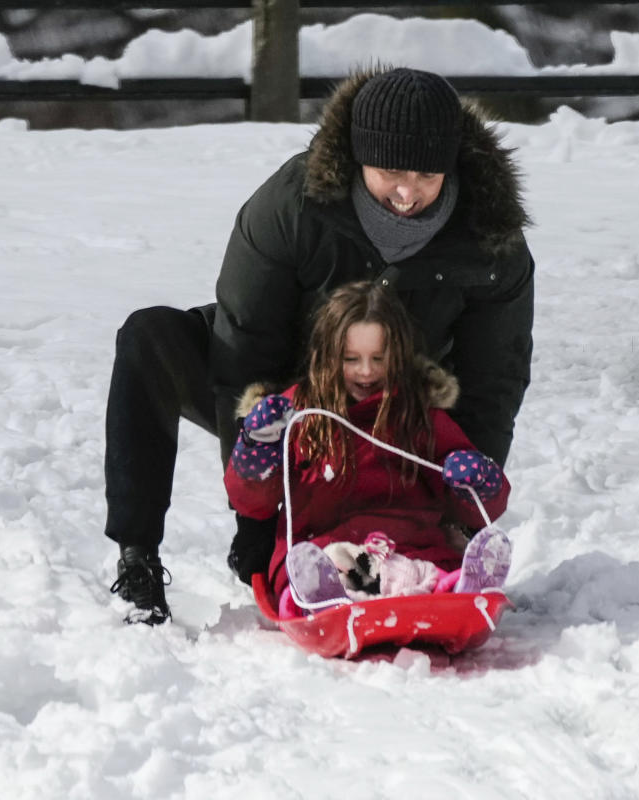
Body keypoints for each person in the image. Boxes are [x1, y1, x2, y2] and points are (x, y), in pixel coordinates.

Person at [105, 66, 533, 625]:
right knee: (149, 338)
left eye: (428, 175)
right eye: (390, 172)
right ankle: (138, 558)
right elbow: (245, 347)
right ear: (358, 160)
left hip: (397, 403)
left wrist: (467, 506)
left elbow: (494, 378)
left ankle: (420, 567)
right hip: (282, 385)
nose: (408, 193)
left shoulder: (490, 236)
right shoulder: (292, 204)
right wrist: (254, 522)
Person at [224, 281, 513, 613]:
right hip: (323, 548)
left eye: (379, 358)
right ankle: (318, 601)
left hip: (411, 548)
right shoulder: (299, 415)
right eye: (351, 358)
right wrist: (256, 452)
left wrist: (479, 484)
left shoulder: (419, 415)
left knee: (425, 572)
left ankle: (460, 592)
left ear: (399, 355)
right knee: (323, 566)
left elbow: (479, 509)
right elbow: (252, 504)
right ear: (326, 356)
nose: (366, 371)